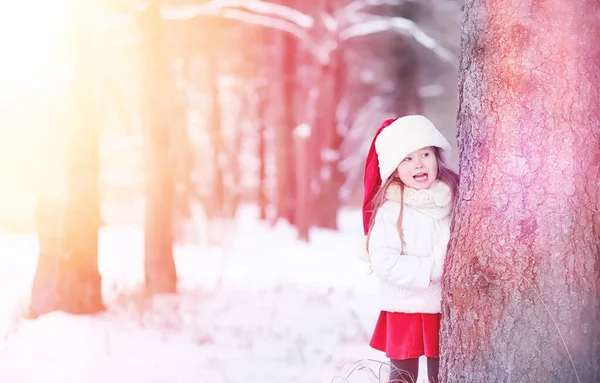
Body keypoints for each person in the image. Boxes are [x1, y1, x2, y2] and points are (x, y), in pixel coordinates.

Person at [361, 115, 458, 383]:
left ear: (436, 157)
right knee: (403, 376)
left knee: (444, 374)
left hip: (443, 307)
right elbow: (384, 262)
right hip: (406, 306)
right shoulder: (391, 209)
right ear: (394, 168)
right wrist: (430, 269)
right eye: (407, 158)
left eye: (425, 154)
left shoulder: (451, 199)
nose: (418, 163)